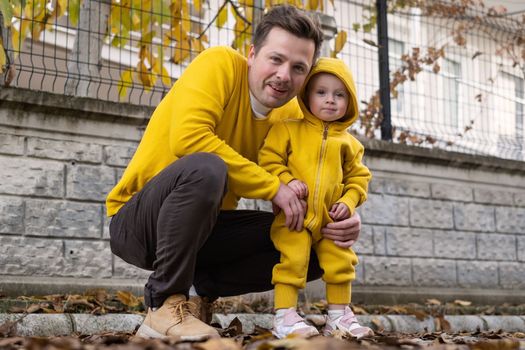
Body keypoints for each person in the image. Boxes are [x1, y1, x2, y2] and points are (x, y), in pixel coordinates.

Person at [105, 5, 363, 341]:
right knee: (207, 165)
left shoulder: (288, 117)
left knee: (311, 241)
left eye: (298, 67)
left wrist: (339, 219)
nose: (285, 75)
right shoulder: (220, 64)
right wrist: (274, 187)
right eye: (276, 59)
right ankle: (164, 305)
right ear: (252, 54)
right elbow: (189, 137)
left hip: (206, 230)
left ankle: (195, 298)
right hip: (139, 221)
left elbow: (301, 193)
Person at [259, 57, 373, 339]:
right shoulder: (287, 128)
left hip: (331, 219)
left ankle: (338, 316)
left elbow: (359, 180)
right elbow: (268, 161)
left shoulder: (351, 144)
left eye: (339, 94)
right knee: (292, 261)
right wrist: (287, 181)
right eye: (321, 92)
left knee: (341, 262)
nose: (330, 100)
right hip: (294, 214)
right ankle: (284, 316)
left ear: (350, 100)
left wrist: (347, 203)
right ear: (307, 95)